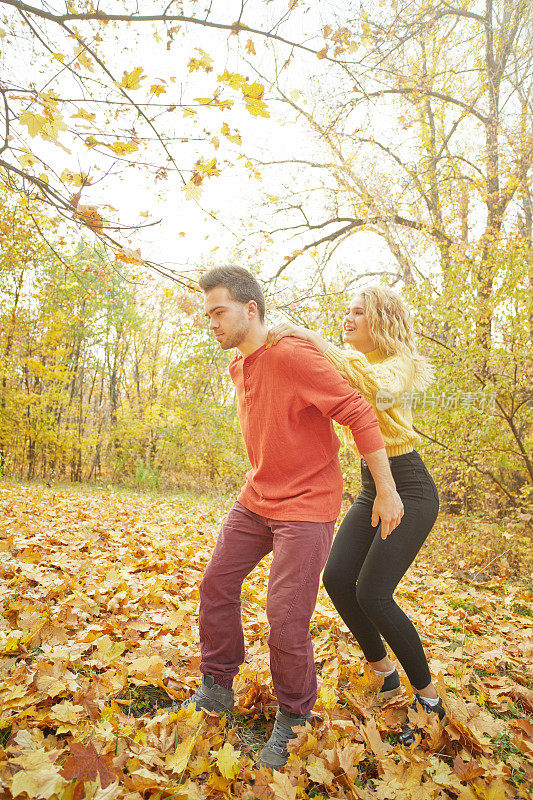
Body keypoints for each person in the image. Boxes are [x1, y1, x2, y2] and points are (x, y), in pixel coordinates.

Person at [183, 267, 403, 768]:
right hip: (257, 497)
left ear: (250, 309)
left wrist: (386, 491)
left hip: (306, 506)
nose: (211, 323)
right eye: (208, 314)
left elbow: (359, 412)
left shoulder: (291, 355)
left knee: (284, 616)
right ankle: (217, 688)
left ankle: (296, 717)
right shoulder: (238, 366)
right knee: (216, 584)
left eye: (219, 312)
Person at [267, 286, 444, 745]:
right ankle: (384, 671)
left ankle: (429, 701)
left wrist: (309, 336)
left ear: (381, 321)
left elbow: (372, 385)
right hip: (373, 486)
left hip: (409, 488)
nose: (348, 319)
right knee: (338, 578)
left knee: (374, 593)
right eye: (346, 311)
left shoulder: (397, 364)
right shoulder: (353, 362)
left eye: (358, 313)